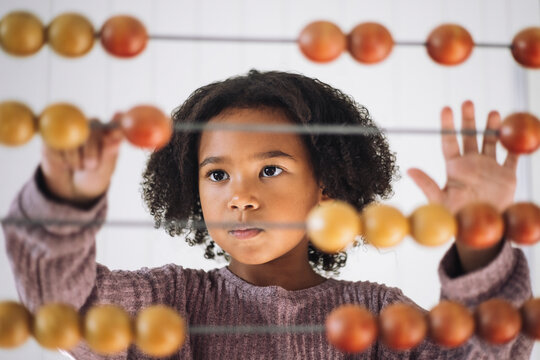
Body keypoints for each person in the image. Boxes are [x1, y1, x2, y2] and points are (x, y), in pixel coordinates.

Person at [2, 70, 532, 359]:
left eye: (271, 170)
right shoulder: (168, 303)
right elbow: (61, 308)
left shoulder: (379, 316)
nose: (240, 197)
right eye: (217, 175)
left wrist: (479, 237)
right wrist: (65, 203)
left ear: (326, 184)